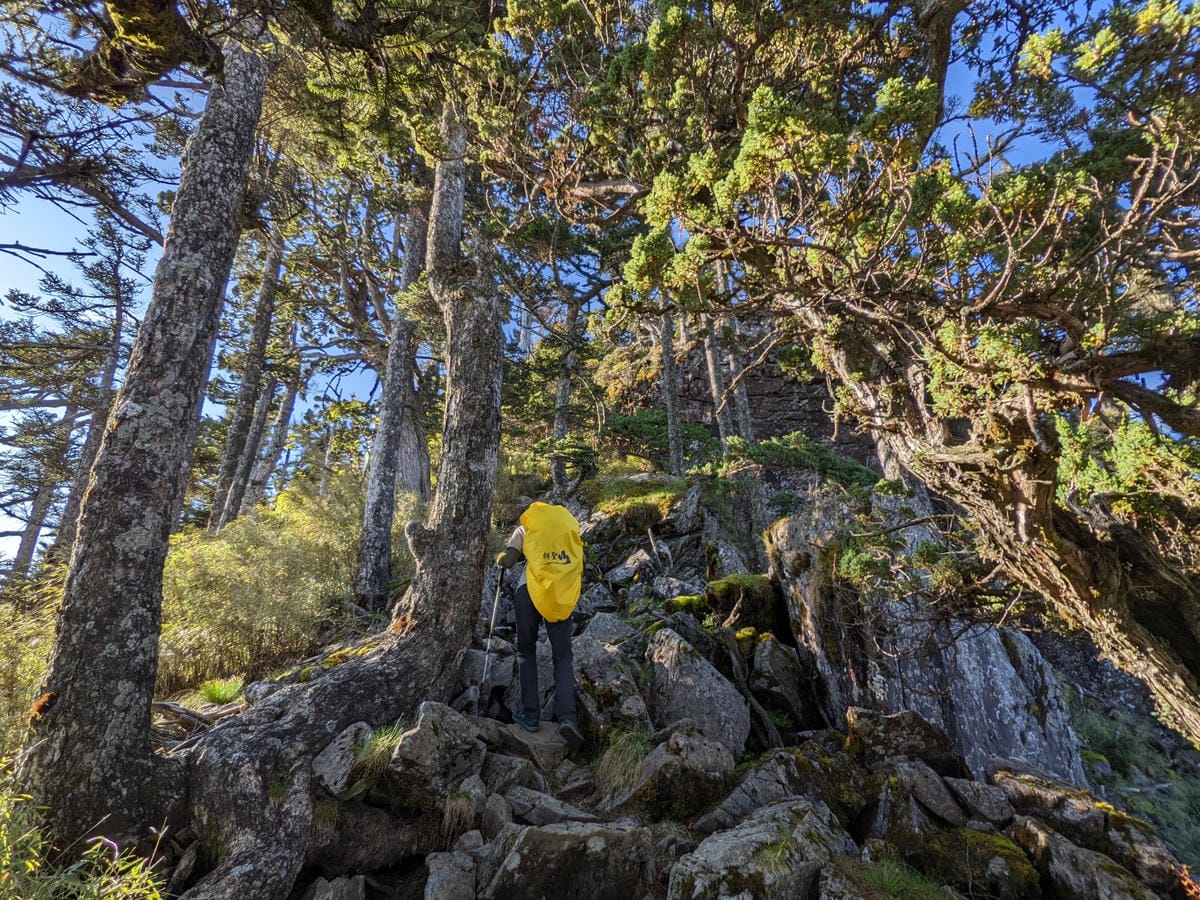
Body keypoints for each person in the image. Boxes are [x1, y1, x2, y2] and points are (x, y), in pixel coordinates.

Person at [496, 501, 584, 752]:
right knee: (563, 655)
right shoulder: (569, 532)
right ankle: (567, 718)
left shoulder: (526, 528)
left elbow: (509, 559)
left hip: (529, 593)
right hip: (559, 596)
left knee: (526, 651)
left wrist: (502, 557)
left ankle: (531, 716)